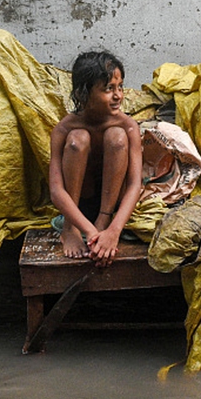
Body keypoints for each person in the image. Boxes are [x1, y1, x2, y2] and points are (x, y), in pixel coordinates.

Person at [48, 50, 143, 265]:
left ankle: (104, 220)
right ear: (83, 95)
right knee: (77, 139)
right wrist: (88, 232)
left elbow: (134, 184)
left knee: (116, 137)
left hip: (113, 207)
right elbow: (56, 190)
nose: (118, 95)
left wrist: (113, 230)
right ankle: (70, 228)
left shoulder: (128, 127)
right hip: (78, 207)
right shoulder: (64, 129)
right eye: (109, 89)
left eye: (120, 87)